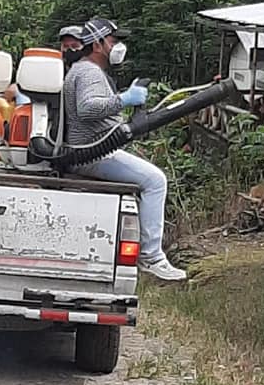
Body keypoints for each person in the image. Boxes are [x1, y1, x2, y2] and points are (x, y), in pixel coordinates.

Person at [63, 17, 187, 282]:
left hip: (93, 149)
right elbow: (87, 108)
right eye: (113, 40)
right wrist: (124, 99)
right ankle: (152, 257)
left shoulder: (83, 70)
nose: (117, 46)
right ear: (97, 44)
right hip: (92, 153)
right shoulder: (88, 72)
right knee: (155, 181)